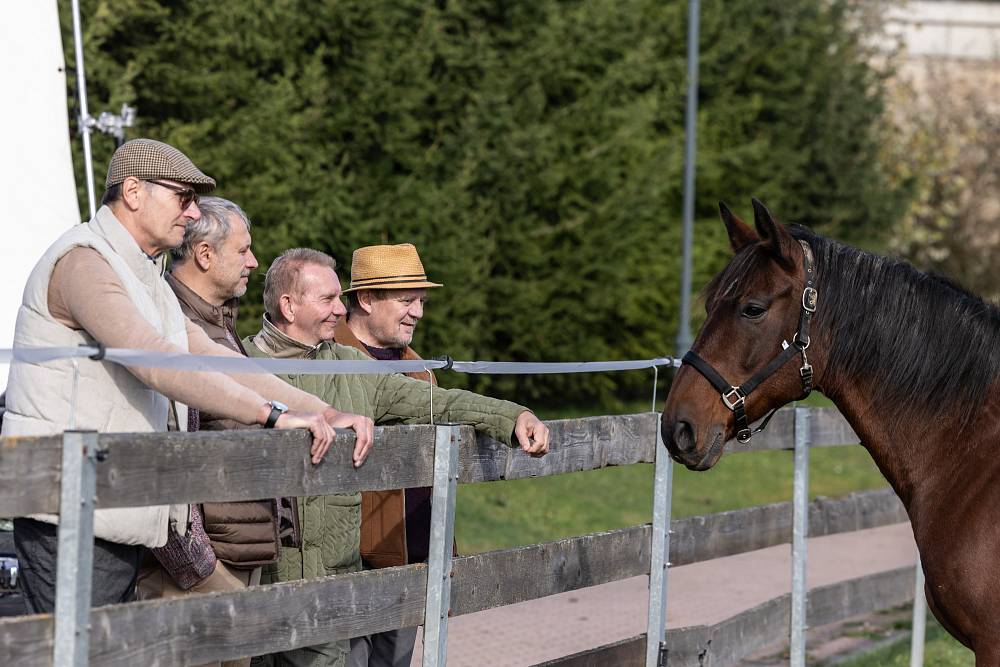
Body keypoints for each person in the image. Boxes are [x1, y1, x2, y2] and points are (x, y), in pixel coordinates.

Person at [2, 139, 373, 615]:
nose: (193, 212)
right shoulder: (84, 261)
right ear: (133, 191)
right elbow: (158, 360)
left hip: (110, 504)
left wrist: (320, 410)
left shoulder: (145, 279)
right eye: (183, 197)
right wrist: (272, 415)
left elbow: (220, 361)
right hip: (71, 508)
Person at [244, 248, 550, 667]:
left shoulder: (355, 367)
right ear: (288, 305)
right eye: (330, 299)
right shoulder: (239, 363)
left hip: (337, 573)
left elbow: (438, 403)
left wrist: (512, 415)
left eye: (341, 298)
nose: (340, 308)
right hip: (260, 572)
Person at [334, 244, 440, 667]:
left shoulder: (422, 369)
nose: (417, 312)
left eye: (421, 301)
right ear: (366, 299)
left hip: (410, 549)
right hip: (350, 557)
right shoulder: (326, 360)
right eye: (406, 300)